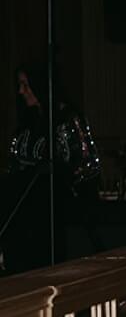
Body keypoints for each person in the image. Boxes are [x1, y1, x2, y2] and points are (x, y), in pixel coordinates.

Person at [2, 64, 102, 272]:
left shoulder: (67, 119)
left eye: (26, 85)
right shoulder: (28, 121)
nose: (21, 91)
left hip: (58, 220)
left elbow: (85, 166)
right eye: (19, 85)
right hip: (23, 218)